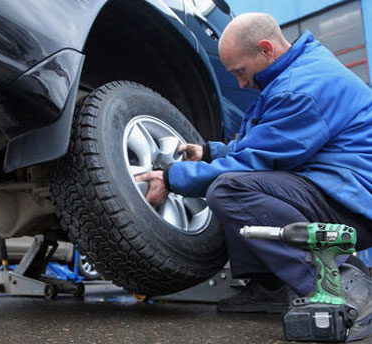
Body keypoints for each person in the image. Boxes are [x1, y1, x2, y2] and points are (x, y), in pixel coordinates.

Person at [136, 12, 372, 342]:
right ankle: (272, 286)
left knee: (230, 189)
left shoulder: (301, 89)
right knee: (236, 180)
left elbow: (253, 162)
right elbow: (259, 142)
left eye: (240, 72)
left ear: (265, 49)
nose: (241, 83)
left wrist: (172, 176)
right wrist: (208, 153)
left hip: (352, 204)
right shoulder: (293, 71)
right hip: (334, 187)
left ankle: (344, 282)